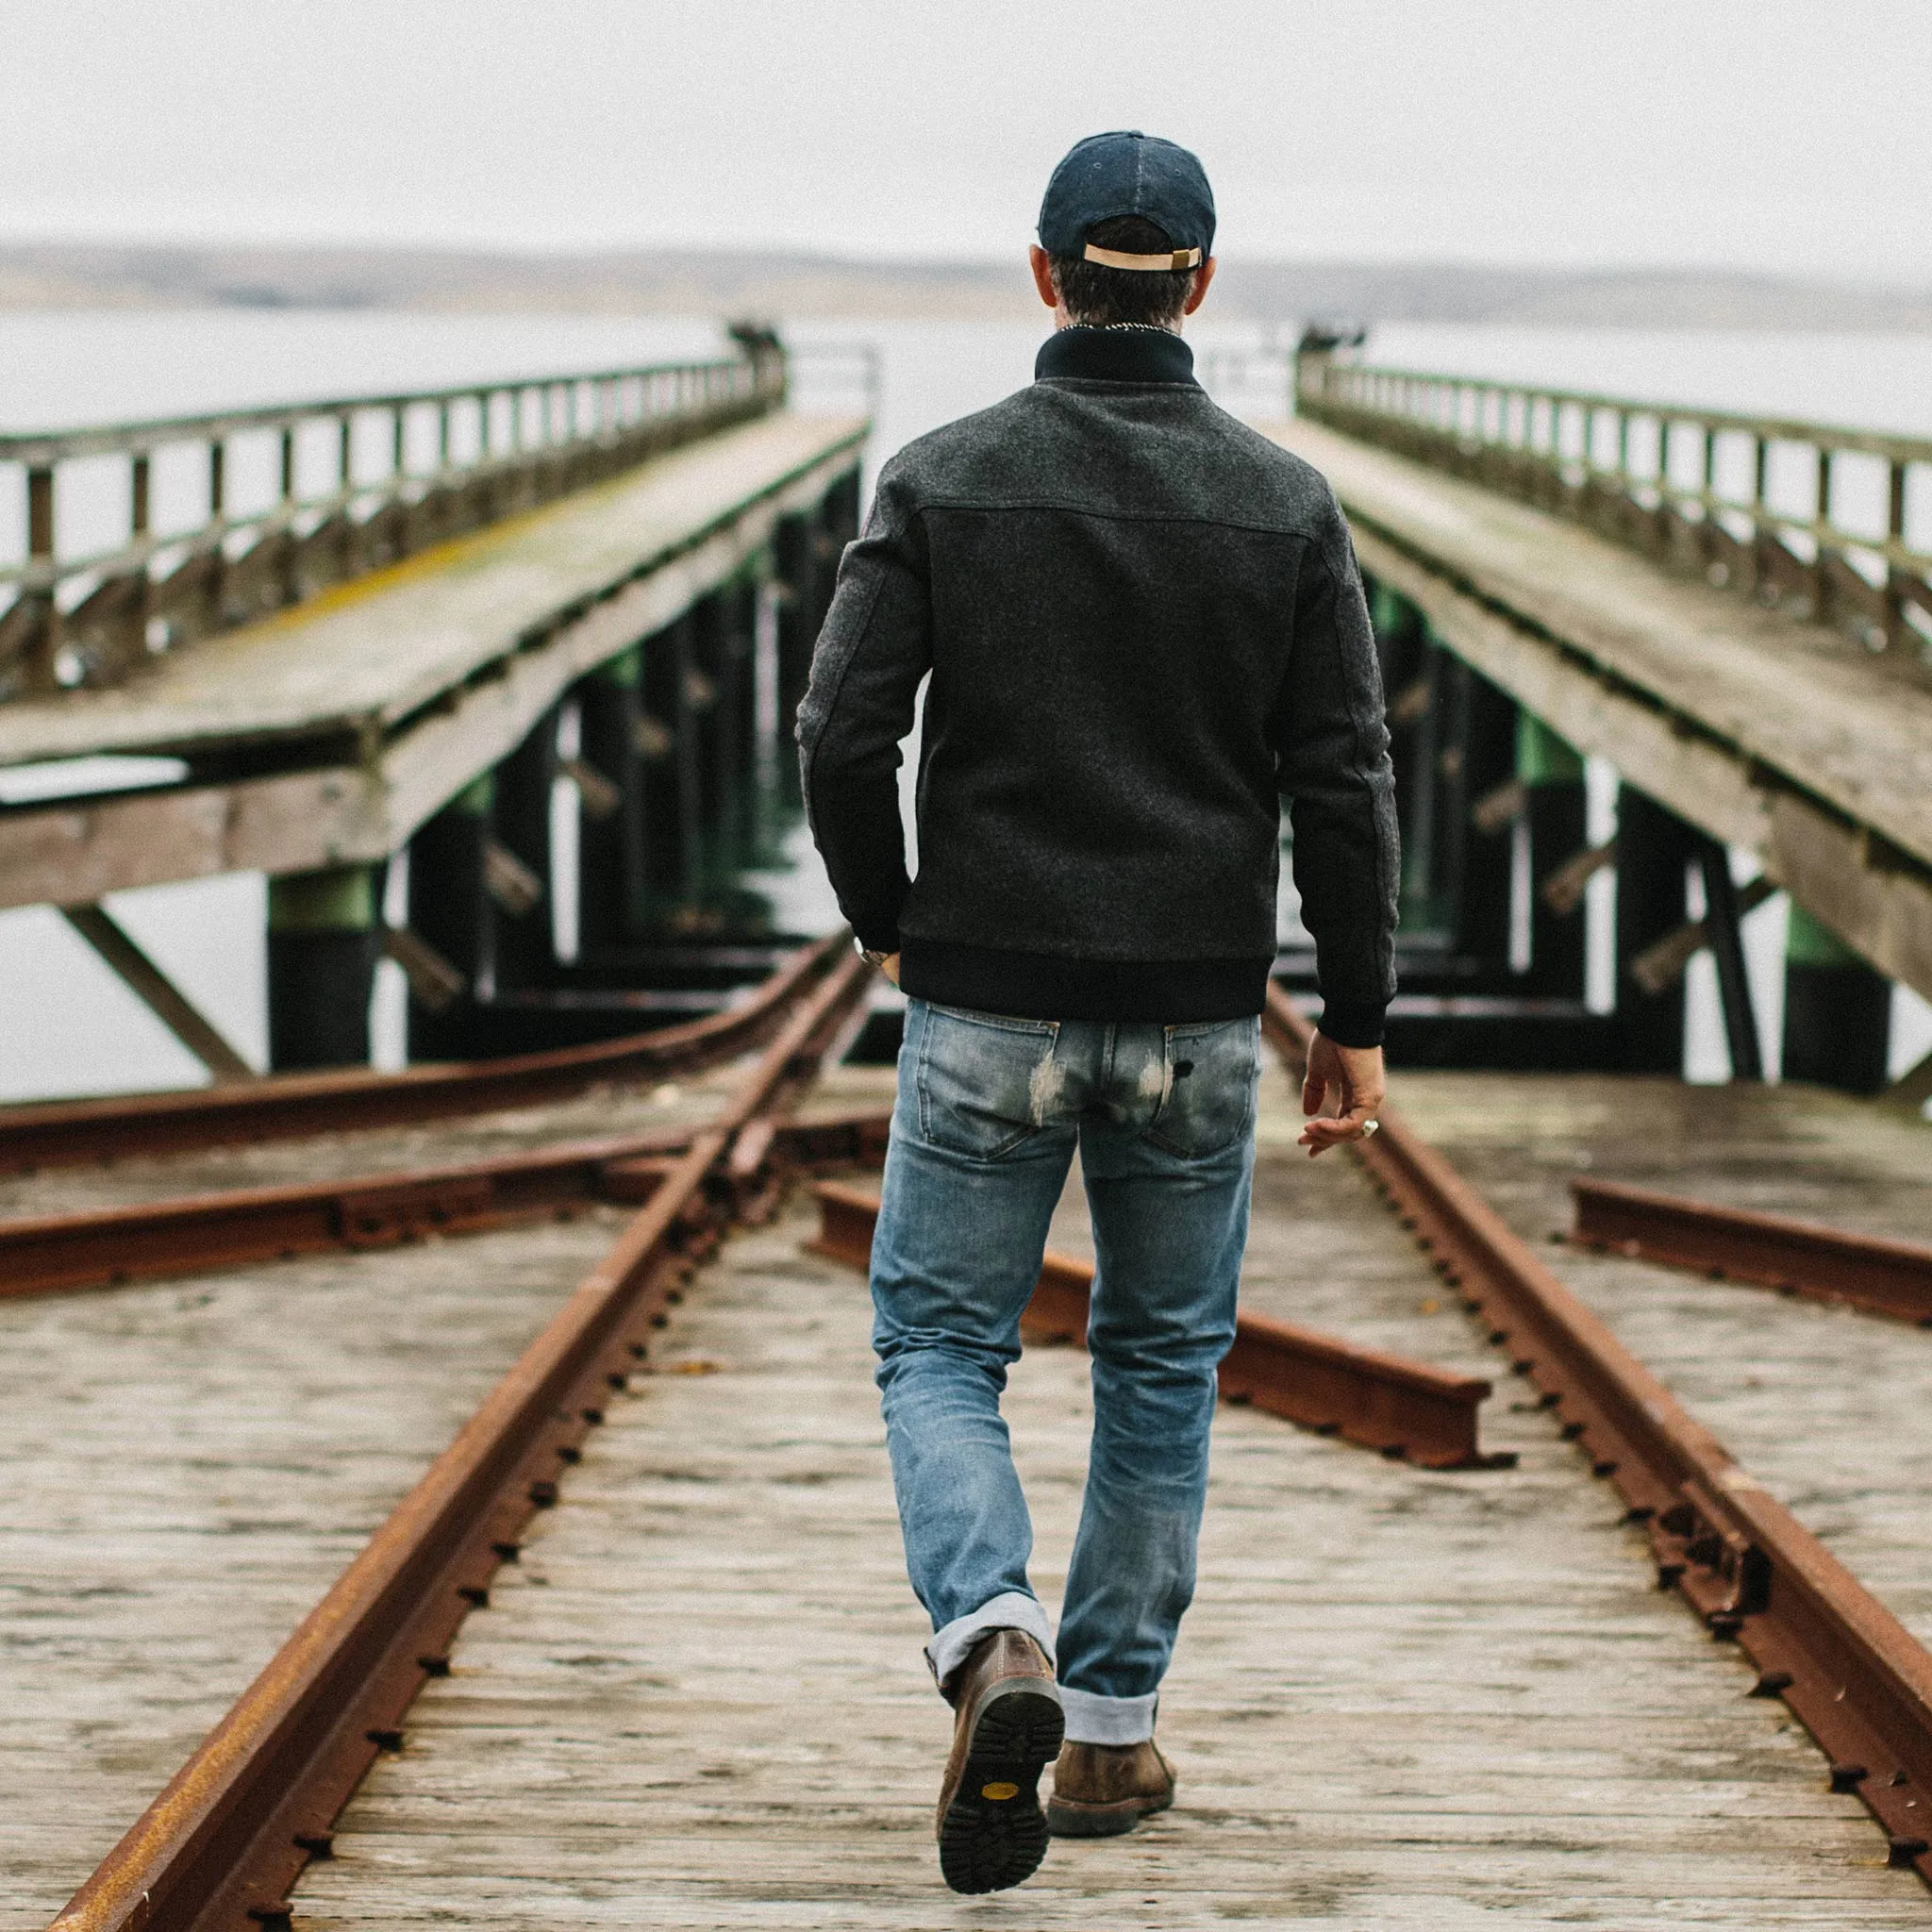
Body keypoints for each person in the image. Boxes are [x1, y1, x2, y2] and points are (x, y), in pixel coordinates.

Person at [796, 129, 1398, 1894]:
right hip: (1203, 1015)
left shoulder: (942, 476)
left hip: (987, 999)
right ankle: (1115, 1735)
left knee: (937, 1348)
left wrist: (890, 926)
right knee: (1160, 1362)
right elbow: (1346, 778)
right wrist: (1351, 1012)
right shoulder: (1285, 503)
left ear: (1046, 275)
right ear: (1199, 284)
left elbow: (842, 736)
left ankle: (994, 1639)